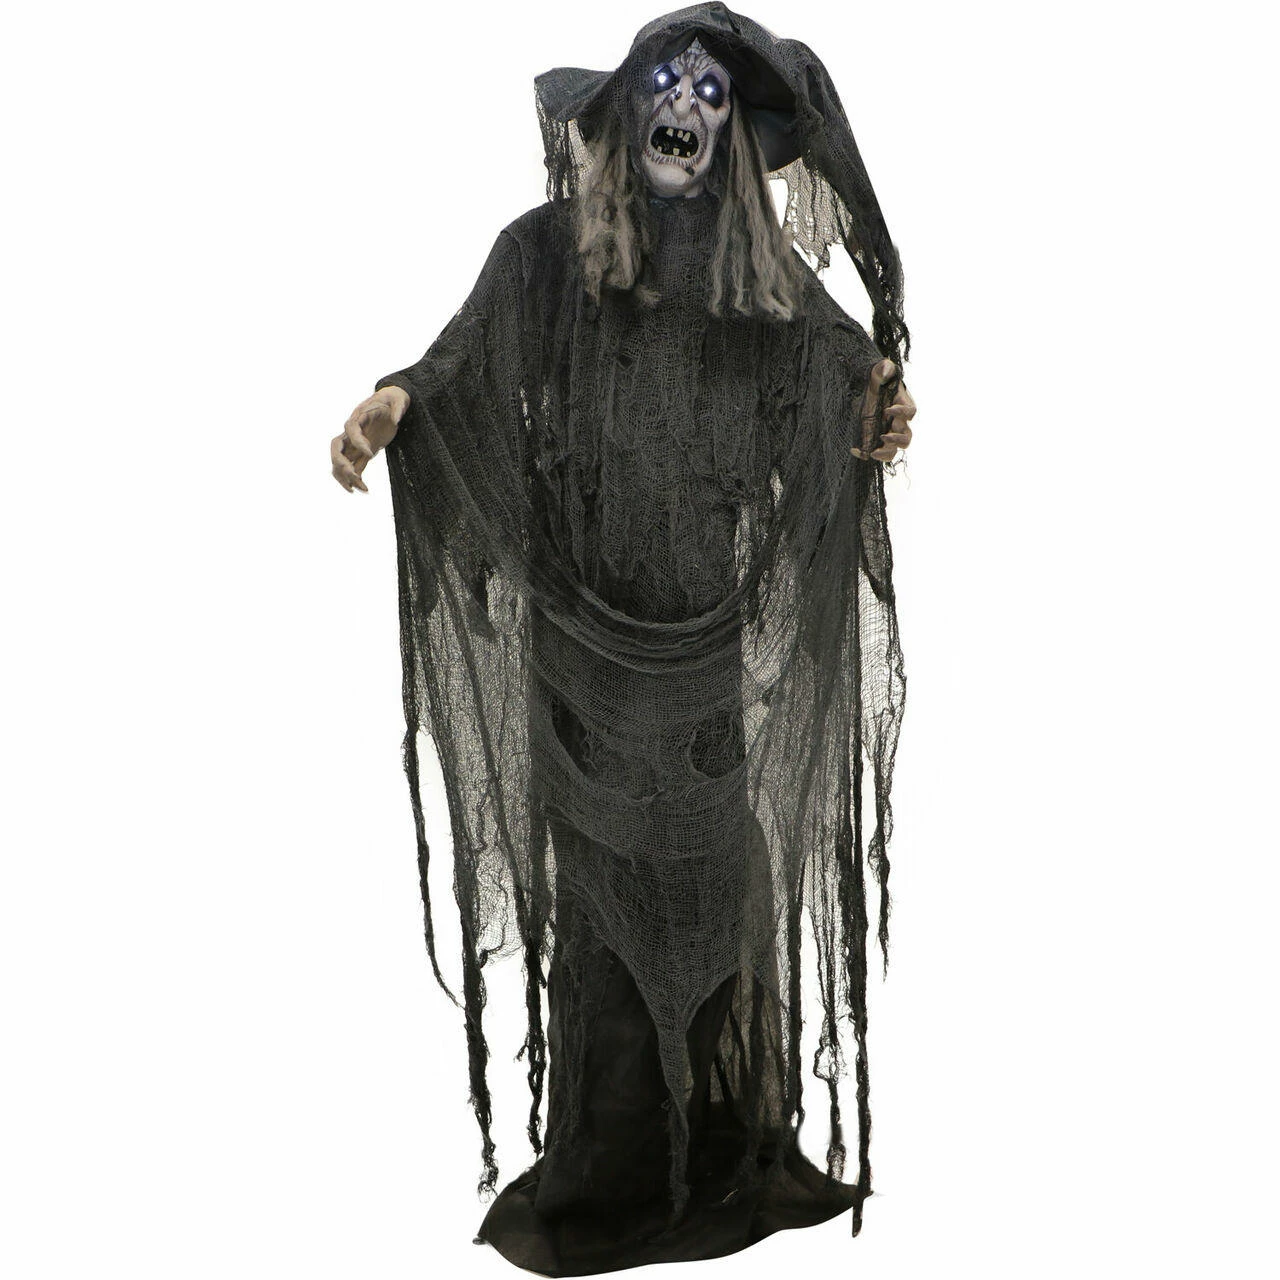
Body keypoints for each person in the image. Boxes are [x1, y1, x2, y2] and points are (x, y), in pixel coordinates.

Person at [329, 5, 914, 1274]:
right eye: (667, 80)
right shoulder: (543, 253)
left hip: (699, 642)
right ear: (623, 110)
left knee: (716, 874)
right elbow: (461, 357)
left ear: (730, 133)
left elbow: (839, 363)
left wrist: (875, 398)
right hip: (582, 647)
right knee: (601, 901)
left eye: (711, 90)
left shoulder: (756, 275)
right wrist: (396, 399)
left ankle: (721, 1149)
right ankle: (611, 1173)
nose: (687, 105)